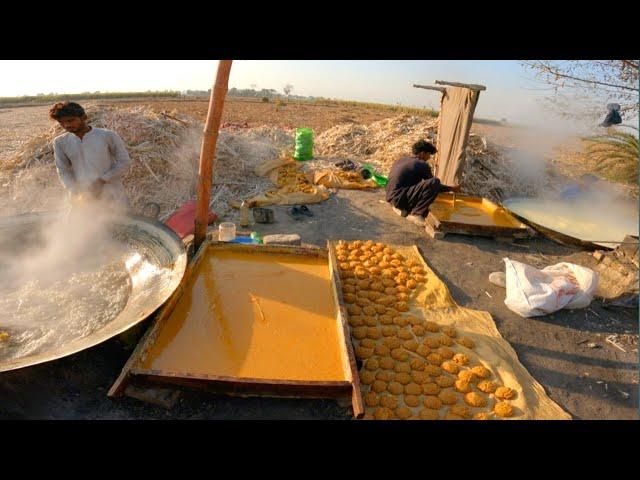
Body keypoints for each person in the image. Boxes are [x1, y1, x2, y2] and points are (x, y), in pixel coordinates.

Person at [50, 101, 132, 209]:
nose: (67, 125)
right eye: (62, 122)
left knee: (121, 223)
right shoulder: (60, 142)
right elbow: (63, 170)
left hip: (112, 194)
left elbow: (124, 162)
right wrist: (75, 190)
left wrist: (102, 180)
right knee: (80, 225)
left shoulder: (107, 136)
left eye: (70, 120)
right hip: (82, 199)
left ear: (84, 117)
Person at [385, 139, 460, 225]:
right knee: (434, 182)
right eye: (429, 154)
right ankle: (417, 213)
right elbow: (435, 185)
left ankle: (405, 207)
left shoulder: (401, 159)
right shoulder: (422, 164)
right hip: (399, 199)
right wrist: (452, 188)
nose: (429, 157)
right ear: (422, 153)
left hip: (391, 197)